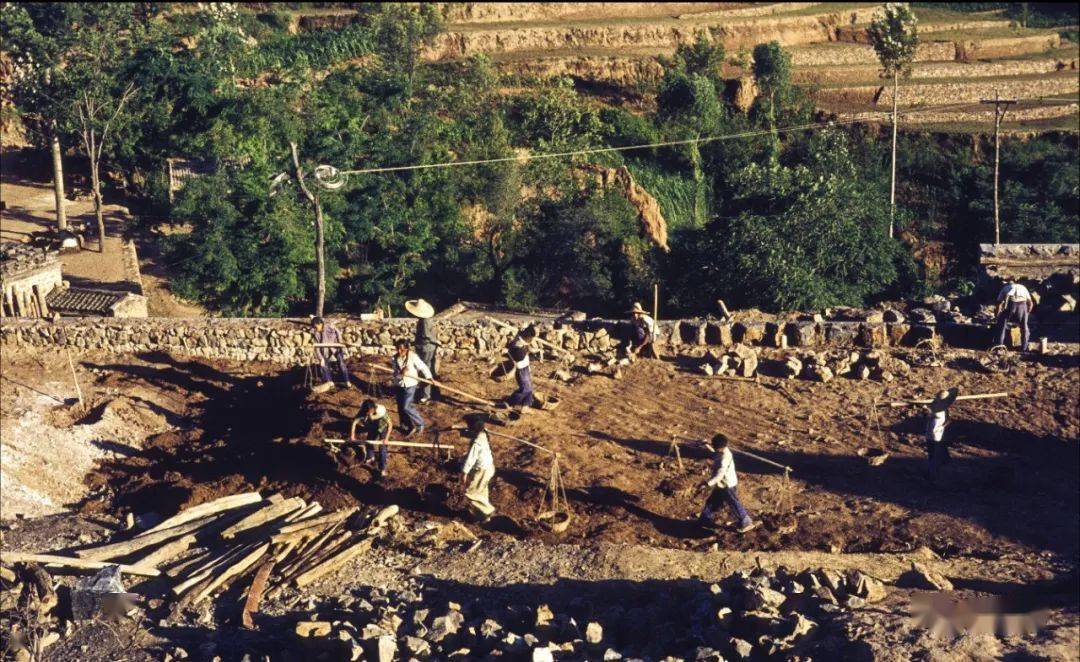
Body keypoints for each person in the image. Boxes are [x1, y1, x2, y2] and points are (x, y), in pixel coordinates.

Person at [698, 434, 756, 533]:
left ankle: (746, 521)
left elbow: (720, 475)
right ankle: (704, 519)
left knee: (733, 503)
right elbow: (714, 453)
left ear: (720, 447)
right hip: (722, 484)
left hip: (728, 485)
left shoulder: (725, 458)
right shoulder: (722, 451)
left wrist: (707, 484)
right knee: (713, 501)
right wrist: (706, 445)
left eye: (715, 447)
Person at [391, 339, 431, 438]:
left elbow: (422, 367)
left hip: (410, 384)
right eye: (398, 349)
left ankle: (420, 423)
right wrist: (400, 373)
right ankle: (407, 426)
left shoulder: (413, 357)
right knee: (401, 408)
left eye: (402, 349)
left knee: (406, 406)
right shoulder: (394, 358)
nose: (399, 351)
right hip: (399, 385)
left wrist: (429, 377)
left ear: (407, 349)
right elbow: (394, 374)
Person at [460, 414, 496, 519]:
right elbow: (469, 433)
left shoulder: (477, 442)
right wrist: (459, 429)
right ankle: (481, 514)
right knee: (481, 490)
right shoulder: (484, 433)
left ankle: (488, 510)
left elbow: (470, 459)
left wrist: (464, 473)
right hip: (489, 467)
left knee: (470, 492)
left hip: (482, 471)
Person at [405, 298, 440, 404]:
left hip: (425, 348)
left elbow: (426, 336)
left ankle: (425, 395)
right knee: (428, 368)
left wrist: (435, 341)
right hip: (428, 347)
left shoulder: (424, 321)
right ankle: (429, 393)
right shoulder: (427, 320)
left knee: (424, 369)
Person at [350, 399, 391, 478]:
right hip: (373, 427)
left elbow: (390, 424)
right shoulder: (363, 411)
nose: (368, 413)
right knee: (369, 441)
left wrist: (386, 438)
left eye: (369, 411)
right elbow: (354, 422)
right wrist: (352, 435)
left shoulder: (381, 411)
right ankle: (371, 457)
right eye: (367, 412)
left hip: (383, 427)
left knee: (382, 447)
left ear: (373, 408)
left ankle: (382, 469)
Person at [926, 388, 957, 485]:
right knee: (934, 456)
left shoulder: (937, 408)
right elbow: (941, 422)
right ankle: (933, 477)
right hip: (935, 436)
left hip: (933, 435)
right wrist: (946, 424)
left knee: (935, 454)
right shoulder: (938, 412)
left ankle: (937, 471)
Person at [311, 317, 352, 390]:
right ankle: (329, 382)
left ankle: (347, 381)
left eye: (315, 326)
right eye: (314, 327)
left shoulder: (329, 327)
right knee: (323, 365)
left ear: (320, 324)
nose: (315, 328)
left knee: (341, 363)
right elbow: (317, 347)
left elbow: (337, 331)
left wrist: (340, 341)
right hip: (325, 350)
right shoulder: (316, 333)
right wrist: (321, 359)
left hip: (335, 348)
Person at [995, 280, 1034, 350]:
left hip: (1011, 305)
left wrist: (997, 316)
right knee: (1024, 327)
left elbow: (999, 304)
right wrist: (1027, 313)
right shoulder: (1023, 287)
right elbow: (1030, 303)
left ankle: (999, 346)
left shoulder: (1005, 288)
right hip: (1022, 305)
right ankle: (1024, 347)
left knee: (1002, 325)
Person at [506, 324, 536, 409]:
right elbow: (520, 357)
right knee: (526, 389)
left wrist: (527, 349)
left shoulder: (520, 340)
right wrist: (527, 350)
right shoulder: (517, 345)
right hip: (520, 369)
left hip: (525, 366)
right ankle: (510, 402)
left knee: (529, 387)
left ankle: (526, 406)